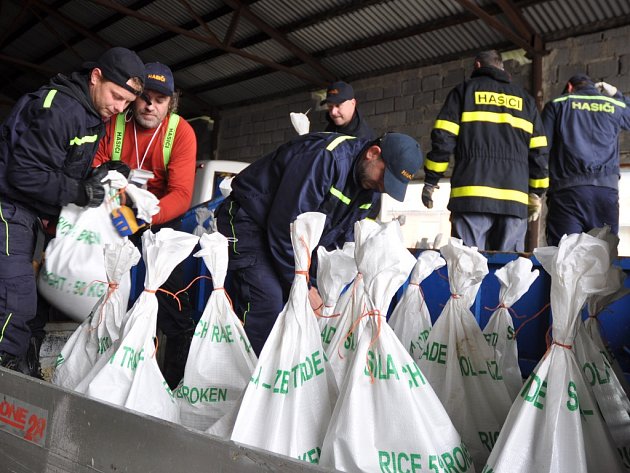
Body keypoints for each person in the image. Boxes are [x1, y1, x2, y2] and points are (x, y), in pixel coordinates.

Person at [0, 47, 146, 375]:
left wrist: (101, 173)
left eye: (126, 103)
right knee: (14, 304)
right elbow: (24, 174)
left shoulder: (92, 117)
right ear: (96, 77)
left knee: (32, 308)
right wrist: (81, 192)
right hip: (8, 210)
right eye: (116, 96)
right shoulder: (60, 108)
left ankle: (24, 377)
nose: (119, 107)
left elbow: (62, 170)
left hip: (32, 217)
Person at [216, 131, 422, 355]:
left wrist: (318, 286)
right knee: (268, 303)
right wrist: (305, 288)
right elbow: (287, 226)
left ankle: (284, 377)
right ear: (373, 154)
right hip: (250, 220)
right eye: (384, 178)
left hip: (292, 241)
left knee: (304, 306)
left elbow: (332, 244)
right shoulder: (325, 159)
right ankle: (254, 383)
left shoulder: (369, 191)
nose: (383, 187)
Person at [93, 62, 197, 389]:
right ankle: (97, 365)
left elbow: (181, 195)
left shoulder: (180, 132)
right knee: (100, 289)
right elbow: (95, 166)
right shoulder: (115, 123)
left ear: (171, 103)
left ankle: (170, 383)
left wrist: (142, 217)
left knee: (172, 301)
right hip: (115, 212)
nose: (151, 105)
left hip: (160, 219)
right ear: (134, 97)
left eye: (160, 100)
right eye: (145, 98)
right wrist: (118, 210)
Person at [421, 50, 549, 252]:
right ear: (502, 67)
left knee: (467, 270)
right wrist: (535, 193)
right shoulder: (526, 101)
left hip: (471, 199)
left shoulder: (464, 92)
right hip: (513, 201)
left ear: (477, 66)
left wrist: (431, 180)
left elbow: (443, 138)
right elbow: (540, 152)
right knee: (507, 272)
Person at [541, 74, 630, 246]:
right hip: (606, 194)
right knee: (602, 260)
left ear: (569, 87)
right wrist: (617, 94)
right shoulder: (613, 105)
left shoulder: (557, 104)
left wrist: (535, 190)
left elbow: (542, 147)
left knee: (564, 259)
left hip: (568, 193)